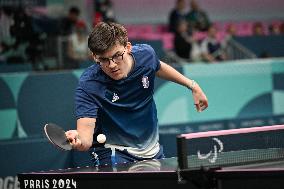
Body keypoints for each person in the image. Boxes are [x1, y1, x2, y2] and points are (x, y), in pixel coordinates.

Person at [65, 22, 208, 166]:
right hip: (113, 152)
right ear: (95, 57)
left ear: (127, 48)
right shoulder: (89, 84)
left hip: (152, 150)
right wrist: (78, 140)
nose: (112, 64)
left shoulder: (146, 55)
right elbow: (85, 140)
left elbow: (157, 66)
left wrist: (192, 85)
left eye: (117, 56)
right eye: (103, 60)